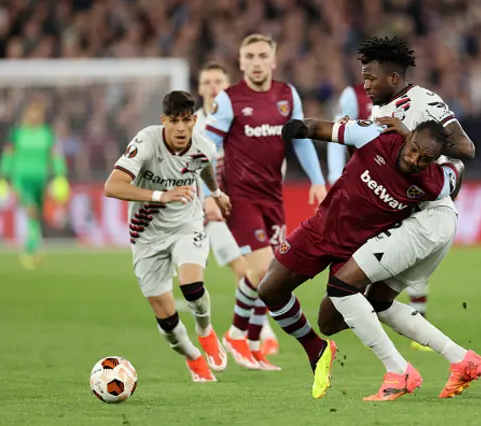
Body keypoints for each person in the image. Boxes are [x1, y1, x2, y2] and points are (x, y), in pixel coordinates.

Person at [316, 36, 481, 399]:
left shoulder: (424, 100)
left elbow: (466, 148)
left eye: (370, 78)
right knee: (376, 302)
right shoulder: (382, 112)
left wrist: (412, 136)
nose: (365, 85)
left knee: (342, 288)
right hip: (419, 220)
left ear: (393, 78)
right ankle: (462, 359)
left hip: (427, 217)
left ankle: (398, 373)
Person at [258, 117, 458, 400]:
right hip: (319, 229)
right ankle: (316, 350)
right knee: (269, 290)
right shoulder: (374, 135)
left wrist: (451, 164)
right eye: (413, 149)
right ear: (408, 136)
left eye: (425, 159)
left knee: (328, 322)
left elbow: (455, 173)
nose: (414, 160)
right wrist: (298, 128)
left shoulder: (433, 182)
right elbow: (321, 129)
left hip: (355, 253)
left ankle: (411, 354)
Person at [204, 34, 327, 371]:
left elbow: (300, 140)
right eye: (250, 56)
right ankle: (239, 335)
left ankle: (246, 338)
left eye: (262, 56)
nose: (256, 62)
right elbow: (206, 148)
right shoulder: (230, 100)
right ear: (240, 62)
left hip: (274, 197)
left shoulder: (287, 96)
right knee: (260, 270)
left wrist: (317, 179)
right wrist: (209, 195)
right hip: (239, 198)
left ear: (273, 60)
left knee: (270, 274)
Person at [104, 91, 231, 382]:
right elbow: (112, 187)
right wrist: (162, 195)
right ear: (164, 121)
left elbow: (205, 168)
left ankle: (205, 331)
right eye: (174, 121)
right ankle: (193, 357)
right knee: (167, 318)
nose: (181, 128)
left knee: (192, 285)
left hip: (187, 224)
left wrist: (217, 193)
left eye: (186, 120)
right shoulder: (146, 142)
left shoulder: (204, 147)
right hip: (146, 235)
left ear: (194, 120)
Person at [195, 62, 279, 364]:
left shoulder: (238, 121)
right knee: (247, 270)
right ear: (201, 87)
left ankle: (254, 336)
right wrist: (208, 199)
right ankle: (253, 335)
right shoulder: (194, 126)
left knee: (263, 269)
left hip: (244, 205)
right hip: (212, 211)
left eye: (219, 80)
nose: (213, 86)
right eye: (207, 82)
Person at [0, 100, 69, 269]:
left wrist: (60, 174)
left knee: (36, 214)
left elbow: (55, 155)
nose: (34, 116)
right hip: (20, 179)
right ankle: (31, 248)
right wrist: (3, 176)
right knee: (31, 210)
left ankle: (32, 243)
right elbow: (8, 155)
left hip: (40, 180)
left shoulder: (47, 134)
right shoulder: (17, 134)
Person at [327, 84, 372, 184]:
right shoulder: (354, 95)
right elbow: (337, 134)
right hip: (366, 178)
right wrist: (336, 177)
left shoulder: (409, 96)